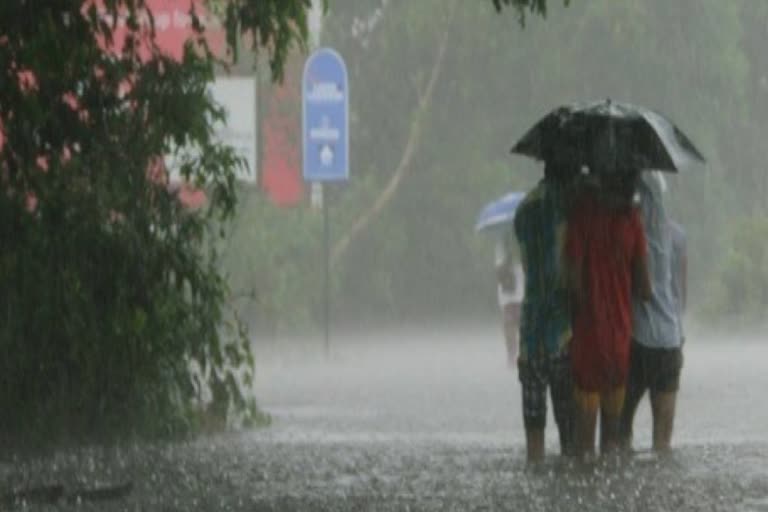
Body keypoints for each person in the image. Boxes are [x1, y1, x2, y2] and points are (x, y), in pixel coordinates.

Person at [565, 169, 651, 457]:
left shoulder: (581, 216)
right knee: (611, 442)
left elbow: (574, 284)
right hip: (619, 340)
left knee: (583, 447)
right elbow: (644, 288)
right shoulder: (633, 221)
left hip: (588, 338)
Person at [513, 158, 578, 462]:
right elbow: (564, 271)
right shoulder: (564, 206)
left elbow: (528, 266)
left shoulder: (524, 208)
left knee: (534, 434)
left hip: (529, 331)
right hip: (559, 330)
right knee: (568, 432)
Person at [619, 173, 686, 453]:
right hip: (670, 342)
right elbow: (681, 295)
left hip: (637, 341)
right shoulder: (678, 235)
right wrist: (680, 334)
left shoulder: (629, 231)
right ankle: (660, 494)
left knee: (620, 431)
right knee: (663, 445)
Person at [495, 234, 524, 367]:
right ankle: (512, 356)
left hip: (518, 296)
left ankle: (517, 356)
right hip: (510, 298)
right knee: (511, 329)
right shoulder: (502, 245)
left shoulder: (523, 242)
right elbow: (500, 272)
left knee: (516, 328)